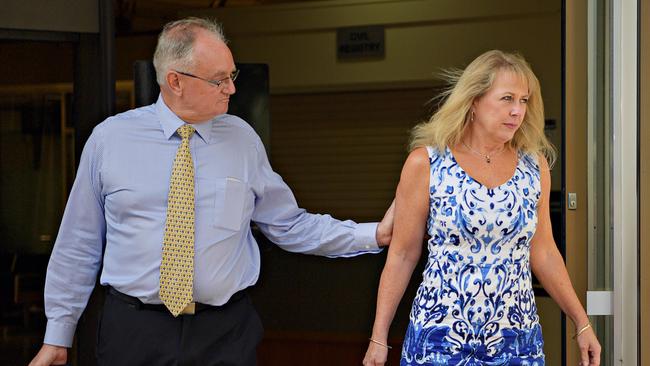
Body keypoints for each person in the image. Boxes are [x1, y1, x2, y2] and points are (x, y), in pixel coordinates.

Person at [29, 17, 394, 366]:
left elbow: (289, 224)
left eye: (231, 76)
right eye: (219, 80)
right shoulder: (109, 140)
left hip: (225, 333)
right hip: (134, 331)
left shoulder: (242, 140)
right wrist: (57, 335)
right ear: (176, 81)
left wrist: (372, 234)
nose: (232, 89)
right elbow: (79, 243)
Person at [362, 50, 600, 366]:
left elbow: (543, 251)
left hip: (516, 341)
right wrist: (379, 337)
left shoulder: (535, 167)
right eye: (507, 99)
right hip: (439, 340)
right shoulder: (428, 163)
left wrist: (581, 322)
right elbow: (403, 254)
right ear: (474, 101)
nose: (517, 111)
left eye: (524, 101)